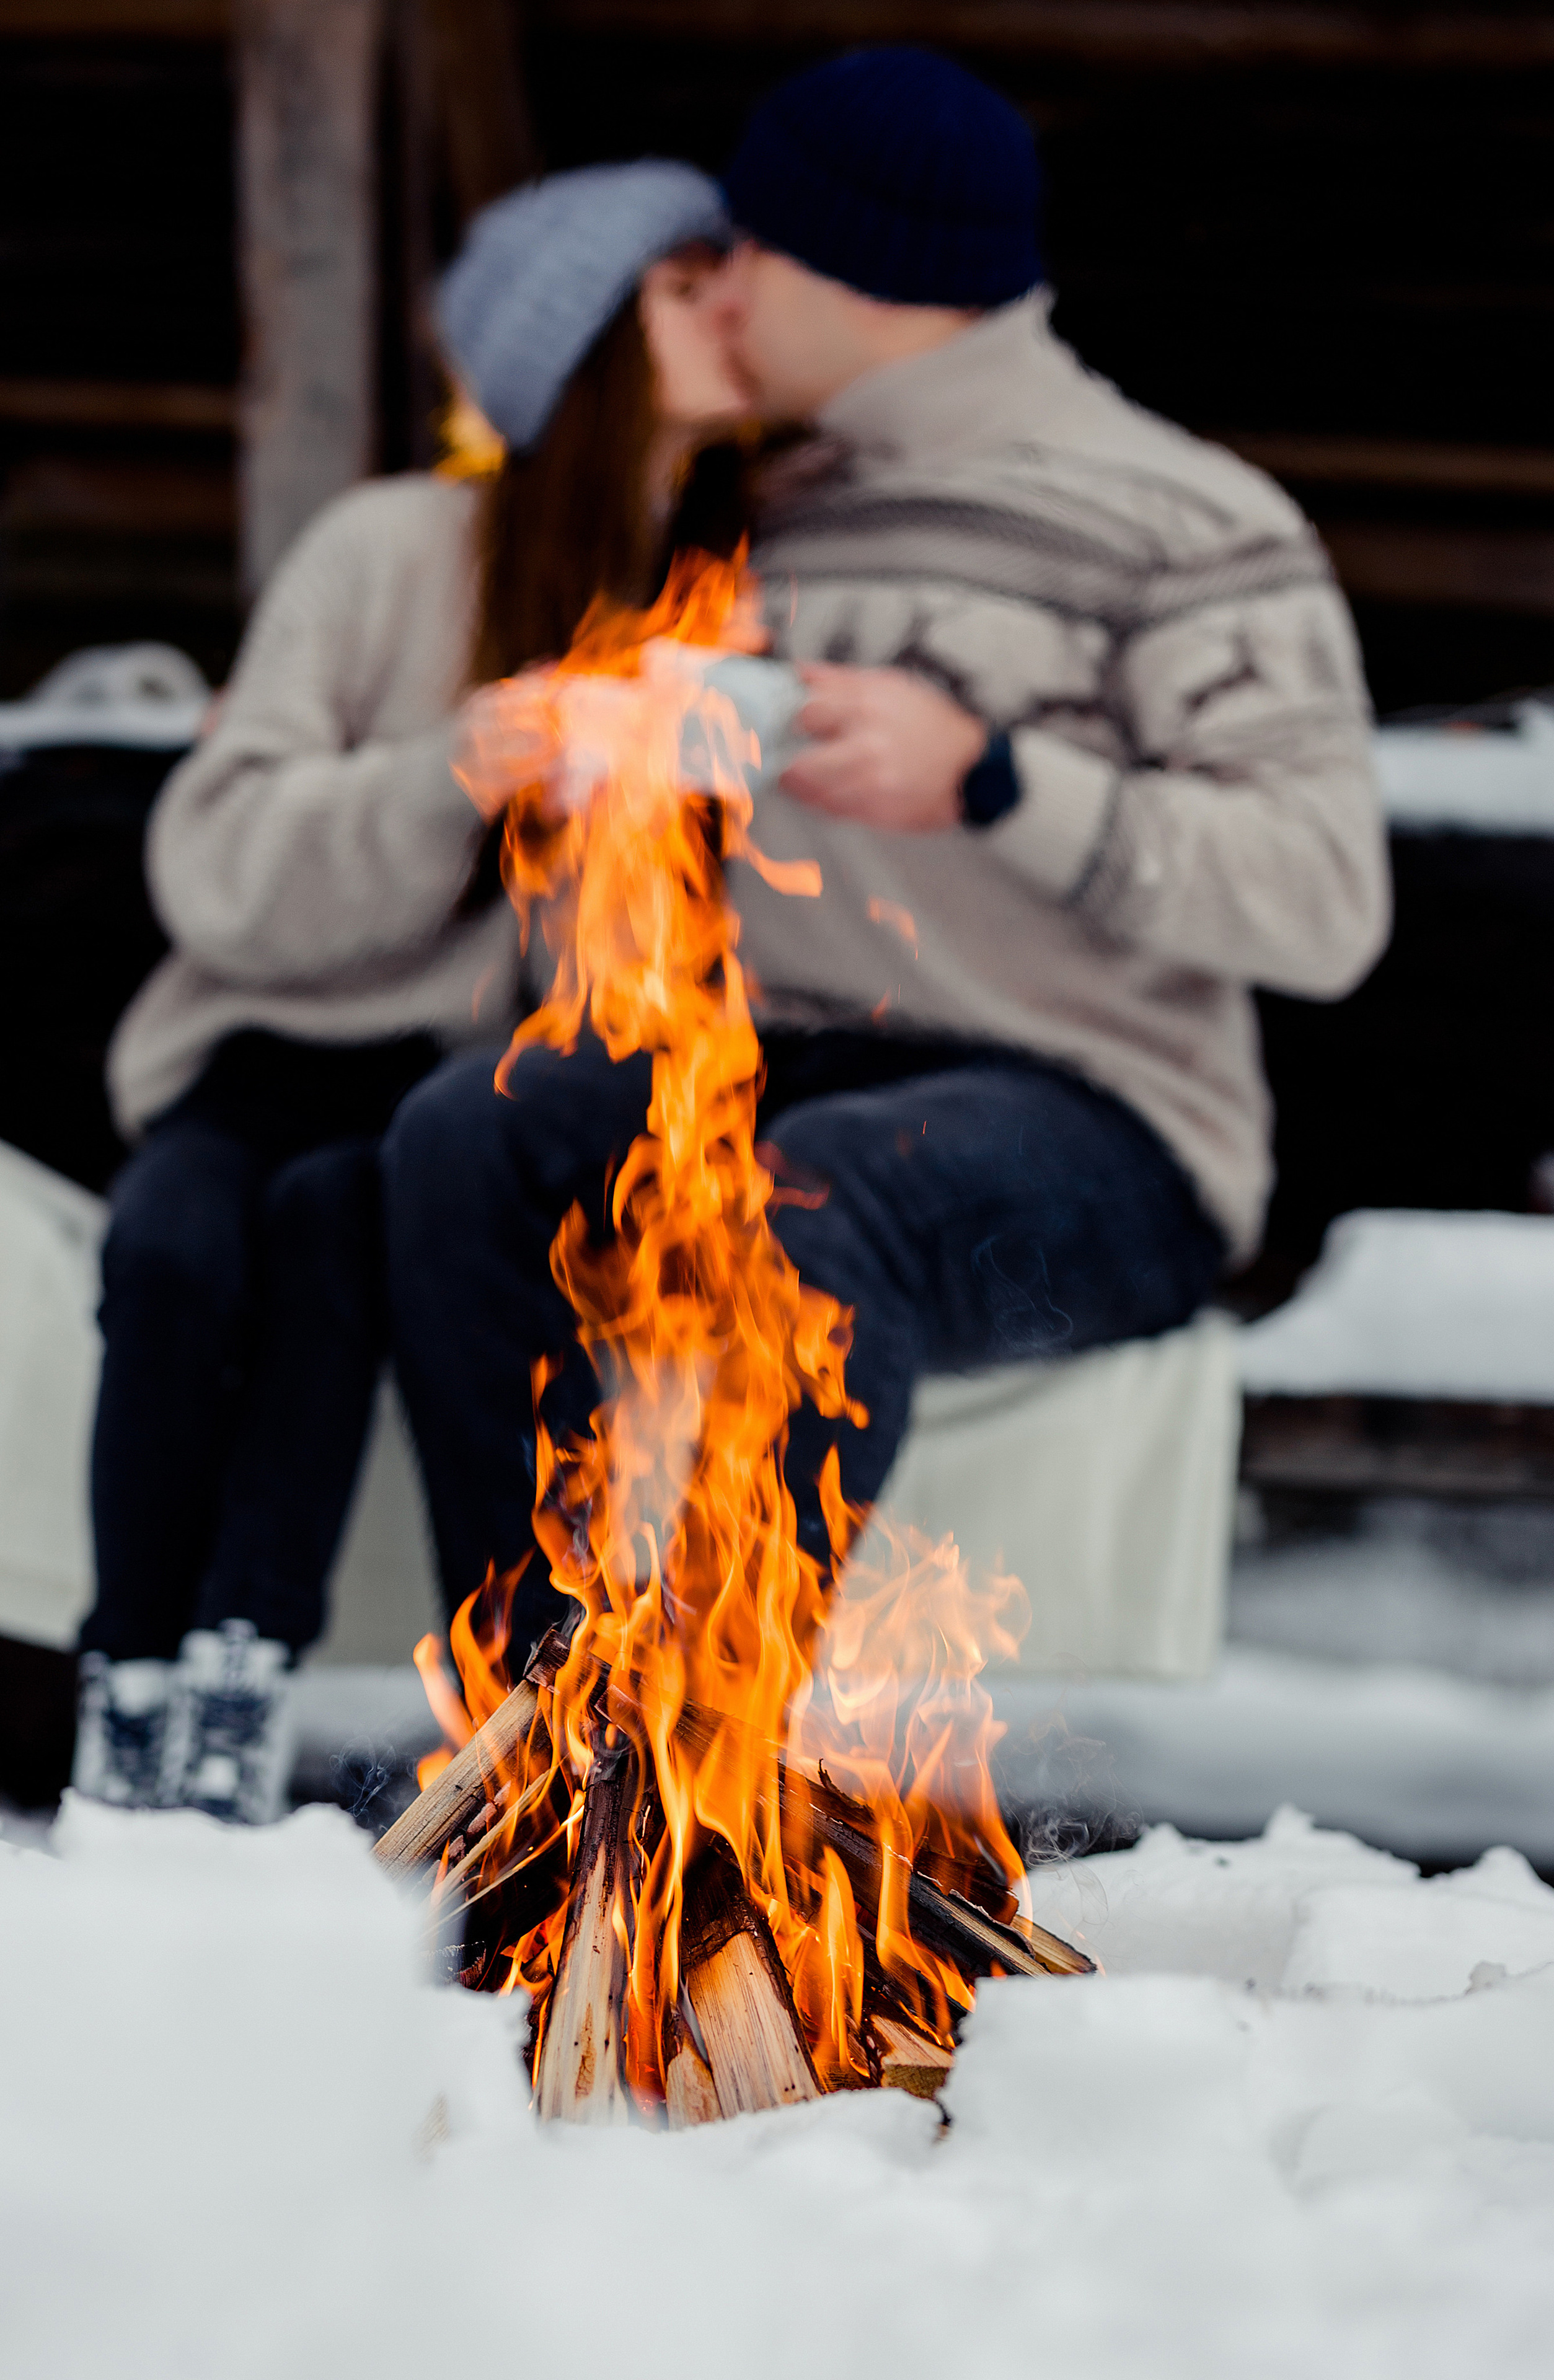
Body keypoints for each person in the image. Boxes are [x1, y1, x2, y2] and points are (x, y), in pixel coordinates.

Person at [382, 46, 1392, 1678]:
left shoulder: (1190, 520)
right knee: (469, 1139)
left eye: (742, 260)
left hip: (1096, 1119)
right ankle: (533, 1707)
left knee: (817, 1208)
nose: (719, 302)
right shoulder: (758, 510)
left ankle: (694, 1749)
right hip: (777, 1055)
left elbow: (1325, 906)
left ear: (847, 266)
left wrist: (990, 778)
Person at [71, 161, 753, 1818]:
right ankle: (128, 1677)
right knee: (173, 1246)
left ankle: (237, 1673)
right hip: (265, 1044)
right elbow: (217, 871)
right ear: (583, 332)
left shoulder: (750, 593)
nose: (734, 295)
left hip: (464, 1107)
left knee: (340, 1230)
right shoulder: (387, 549)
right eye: (683, 279)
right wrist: (458, 764)